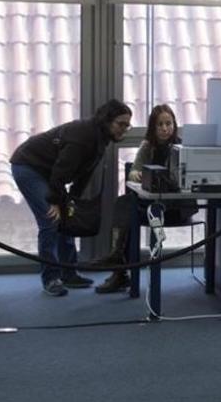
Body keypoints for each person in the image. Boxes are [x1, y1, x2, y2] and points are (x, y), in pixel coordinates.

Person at [11, 99, 132, 297]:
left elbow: (84, 174)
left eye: (127, 125)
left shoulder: (100, 138)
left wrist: (71, 202)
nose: (124, 130)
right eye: (121, 124)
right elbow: (61, 171)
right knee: (50, 220)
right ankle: (51, 278)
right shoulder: (83, 136)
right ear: (107, 121)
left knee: (66, 218)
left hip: (48, 172)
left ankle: (68, 273)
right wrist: (55, 201)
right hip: (28, 167)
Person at [94, 104, 196, 294]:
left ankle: (119, 267)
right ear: (152, 127)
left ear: (174, 124)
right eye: (160, 125)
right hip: (153, 207)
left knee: (128, 212)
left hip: (176, 208)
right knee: (125, 207)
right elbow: (134, 171)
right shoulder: (147, 146)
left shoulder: (183, 148)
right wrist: (138, 175)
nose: (165, 128)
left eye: (168, 123)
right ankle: (119, 267)